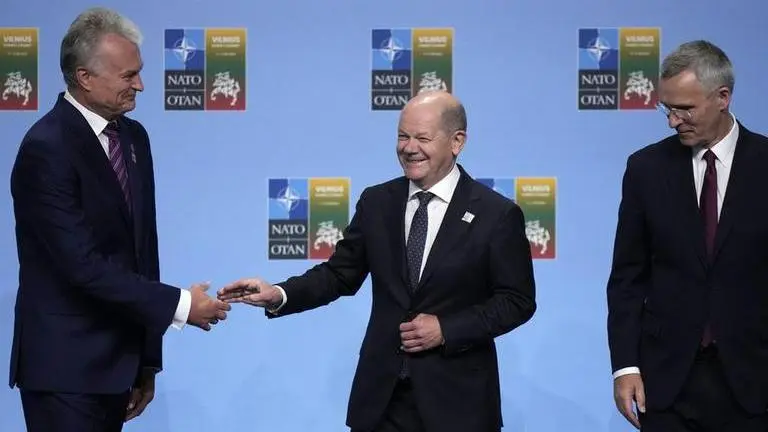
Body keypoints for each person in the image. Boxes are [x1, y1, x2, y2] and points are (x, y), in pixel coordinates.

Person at [218, 90, 537, 432]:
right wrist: (279, 294)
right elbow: (339, 275)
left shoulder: (496, 214)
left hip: (459, 405)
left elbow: (516, 301)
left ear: (457, 141)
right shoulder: (377, 202)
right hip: (382, 404)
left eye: (422, 138)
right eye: (402, 136)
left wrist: (447, 329)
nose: (409, 147)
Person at [8, 7, 231, 432]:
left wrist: (147, 361)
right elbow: (81, 266)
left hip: (119, 366)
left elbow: (142, 251)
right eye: (128, 76)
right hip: (65, 371)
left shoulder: (133, 137)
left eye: (139, 72)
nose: (141, 85)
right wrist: (182, 305)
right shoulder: (46, 148)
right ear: (84, 77)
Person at [607, 40, 768, 431]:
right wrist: (625, 366)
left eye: (685, 109)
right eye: (668, 108)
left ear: (723, 97)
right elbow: (627, 277)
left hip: (754, 380)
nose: (673, 120)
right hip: (666, 383)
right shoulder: (645, 168)